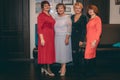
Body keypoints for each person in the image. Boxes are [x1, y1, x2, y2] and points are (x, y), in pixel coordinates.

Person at [37, 1, 55, 76]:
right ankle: (48, 69)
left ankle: (44, 67)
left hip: (51, 36)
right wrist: (42, 39)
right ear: (42, 7)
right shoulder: (41, 15)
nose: (47, 7)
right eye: (45, 6)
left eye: (48, 5)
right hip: (44, 35)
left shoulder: (49, 15)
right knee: (46, 52)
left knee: (49, 52)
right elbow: (39, 28)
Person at [84, 4, 102, 77]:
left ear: (95, 10)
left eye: (92, 9)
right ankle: (93, 72)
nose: (90, 11)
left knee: (87, 55)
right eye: (89, 10)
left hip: (94, 39)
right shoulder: (91, 19)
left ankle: (87, 73)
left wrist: (95, 40)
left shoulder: (97, 18)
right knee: (92, 55)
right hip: (89, 39)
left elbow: (99, 31)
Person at [54, 3, 72, 76]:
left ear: (64, 9)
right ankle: (62, 67)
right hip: (57, 37)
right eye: (58, 8)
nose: (60, 9)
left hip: (64, 37)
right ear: (57, 10)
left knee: (64, 53)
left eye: (61, 8)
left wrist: (67, 38)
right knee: (60, 53)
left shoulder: (67, 17)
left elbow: (69, 29)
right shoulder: (55, 17)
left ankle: (64, 68)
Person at [71, 2, 87, 72]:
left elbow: (84, 29)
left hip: (79, 37)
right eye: (76, 8)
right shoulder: (71, 17)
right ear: (74, 9)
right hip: (72, 37)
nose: (77, 9)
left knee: (79, 54)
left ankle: (80, 70)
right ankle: (75, 68)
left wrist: (81, 40)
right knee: (73, 53)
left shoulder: (83, 17)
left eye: (79, 8)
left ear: (81, 9)